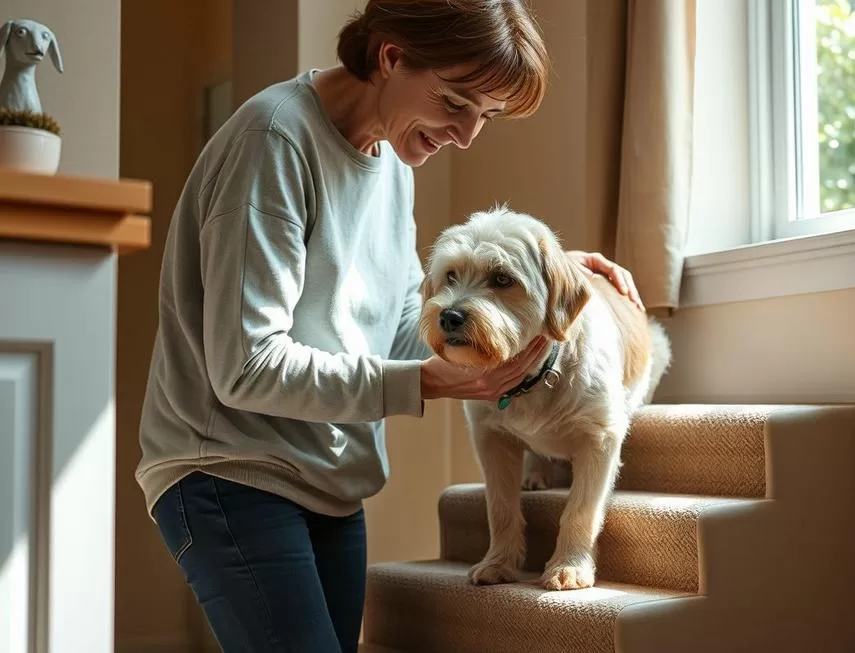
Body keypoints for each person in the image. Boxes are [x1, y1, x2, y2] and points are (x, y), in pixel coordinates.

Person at [135, 1, 643, 651]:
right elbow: (247, 366)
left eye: (483, 117)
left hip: (333, 482)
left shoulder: (390, 163)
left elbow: (408, 327)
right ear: (392, 55)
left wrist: (552, 275)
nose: (464, 135)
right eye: (456, 102)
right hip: (230, 474)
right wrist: (427, 384)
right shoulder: (275, 141)